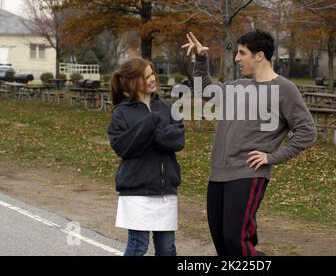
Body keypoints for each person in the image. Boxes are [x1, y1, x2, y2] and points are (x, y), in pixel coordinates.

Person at [182, 30, 317, 256]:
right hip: (218, 174)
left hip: (247, 174)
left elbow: (307, 131)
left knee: (236, 240)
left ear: (259, 55)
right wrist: (201, 58)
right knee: (222, 243)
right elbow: (204, 90)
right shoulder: (238, 86)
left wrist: (271, 157)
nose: (236, 58)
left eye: (242, 53)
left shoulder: (284, 89)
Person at [107, 57, 184, 256]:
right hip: (136, 192)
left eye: (152, 74)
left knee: (167, 249)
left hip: (165, 191)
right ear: (133, 82)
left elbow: (177, 140)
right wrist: (150, 123)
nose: (152, 79)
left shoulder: (167, 109)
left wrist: (149, 132)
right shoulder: (121, 113)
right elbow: (124, 148)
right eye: (146, 76)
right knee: (138, 246)